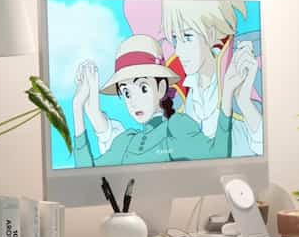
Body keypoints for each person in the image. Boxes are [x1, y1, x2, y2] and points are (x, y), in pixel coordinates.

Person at [72, 34, 246, 166]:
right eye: (126, 93)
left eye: (143, 88)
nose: (133, 101)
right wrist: (78, 108)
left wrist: (228, 95)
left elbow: (218, 155)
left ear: (161, 88)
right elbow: (88, 174)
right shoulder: (125, 141)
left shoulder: (176, 127)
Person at [161, 0, 263, 157]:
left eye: (187, 37)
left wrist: (243, 102)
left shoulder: (238, 75)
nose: (179, 51)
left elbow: (263, 149)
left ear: (211, 34)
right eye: (175, 39)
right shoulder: (177, 99)